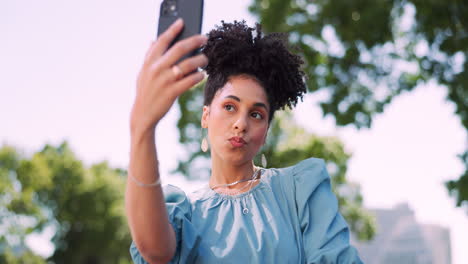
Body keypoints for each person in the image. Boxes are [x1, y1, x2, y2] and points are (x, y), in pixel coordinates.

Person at [126, 19, 363, 264]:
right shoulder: (184, 214)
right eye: (230, 107)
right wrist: (142, 128)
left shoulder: (300, 190)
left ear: (266, 130)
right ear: (205, 115)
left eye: (256, 114)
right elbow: (154, 251)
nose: (241, 123)